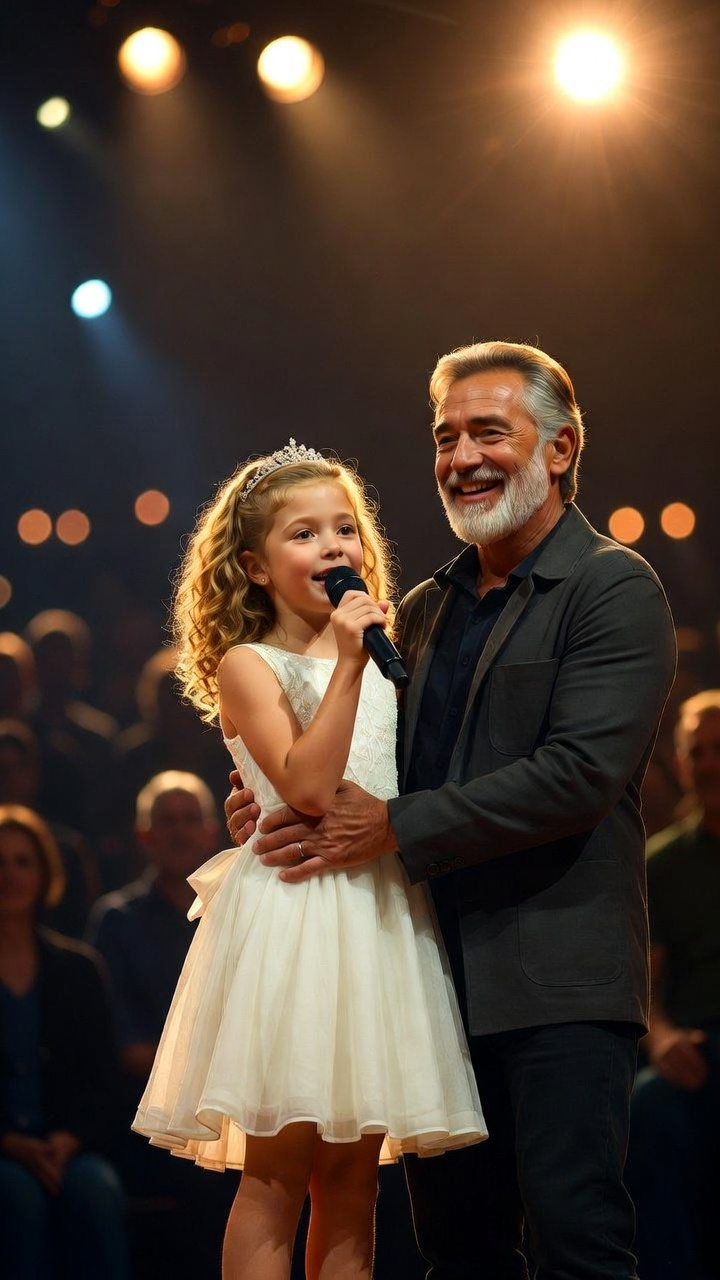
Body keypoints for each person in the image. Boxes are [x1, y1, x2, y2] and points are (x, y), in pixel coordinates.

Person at [227, 341, 677, 1280]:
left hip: (557, 982)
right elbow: (380, 763)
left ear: (560, 448)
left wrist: (390, 828)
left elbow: (578, 775)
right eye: (445, 437)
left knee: (576, 1240)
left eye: (489, 432)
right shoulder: (426, 605)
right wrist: (274, 803)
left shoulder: (613, 586)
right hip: (431, 978)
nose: (462, 457)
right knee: (460, 1252)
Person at [132, 442, 486, 1280]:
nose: (333, 547)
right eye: (303, 534)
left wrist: (361, 658)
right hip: (295, 918)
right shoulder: (249, 664)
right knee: (277, 1177)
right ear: (254, 566)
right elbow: (308, 786)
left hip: (376, 915)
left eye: (345, 528)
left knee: (354, 1185)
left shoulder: (384, 652)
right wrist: (349, 664)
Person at [87, 771, 237, 1279]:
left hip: (231, 1102)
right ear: (143, 835)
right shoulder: (116, 920)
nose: (178, 832)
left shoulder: (237, 913)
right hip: (151, 1116)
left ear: (211, 831)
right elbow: (122, 1045)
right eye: (166, 821)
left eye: (190, 820)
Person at [0, 804, 132, 1280]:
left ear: (44, 873)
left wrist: (68, 1140)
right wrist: (10, 1143)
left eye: (23, 861)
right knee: (17, 1196)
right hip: (3, 1149)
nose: (10, 874)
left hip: (68, 1146)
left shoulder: (78, 969)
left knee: (97, 1191)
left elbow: (105, 1081)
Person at [625, 690, 720, 1280]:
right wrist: (660, 1040)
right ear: (681, 764)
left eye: (719, 749)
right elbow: (646, 983)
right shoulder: (661, 862)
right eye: (696, 752)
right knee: (649, 1105)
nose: (709, 764)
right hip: (701, 1049)